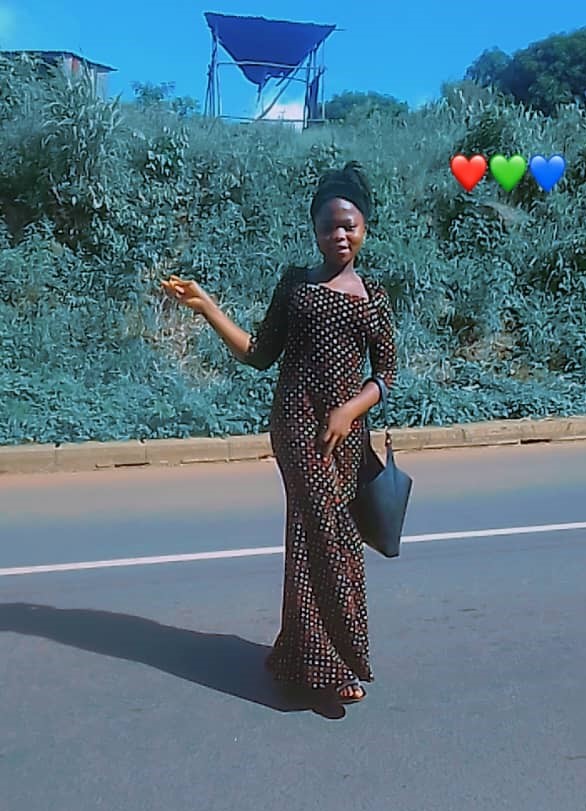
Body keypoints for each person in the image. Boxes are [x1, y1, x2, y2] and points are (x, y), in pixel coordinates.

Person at [161, 161, 397, 705]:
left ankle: (299, 655)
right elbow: (259, 353)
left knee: (310, 534)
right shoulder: (295, 285)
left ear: (365, 227)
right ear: (314, 230)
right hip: (296, 427)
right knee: (332, 536)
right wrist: (207, 307)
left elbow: (386, 374)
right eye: (329, 226)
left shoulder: (374, 296)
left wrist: (349, 411)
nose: (339, 236)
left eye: (349, 225)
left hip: (346, 437)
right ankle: (340, 662)